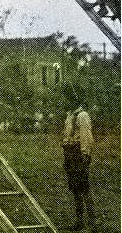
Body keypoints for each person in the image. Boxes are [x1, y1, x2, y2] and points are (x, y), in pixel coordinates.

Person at [61, 86, 96, 231]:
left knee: (84, 188)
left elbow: (86, 137)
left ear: (73, 99)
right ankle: (79, 221)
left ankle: (92, 224)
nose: (65, 102)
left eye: (67, 99)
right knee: (75, 189)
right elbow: (67, 134)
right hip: (70, 155)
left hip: (79, 156)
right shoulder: (70, 115)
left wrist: (85, 154)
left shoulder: (82, 116)